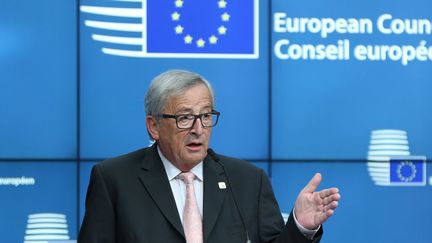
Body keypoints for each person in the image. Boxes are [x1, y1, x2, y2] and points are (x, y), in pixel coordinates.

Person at [78, 70, 340, 243]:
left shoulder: (248, 180)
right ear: (154, 126)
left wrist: (300, 226)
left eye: (205, 116)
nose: (198, 129)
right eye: (184, 118)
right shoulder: (114, 179)